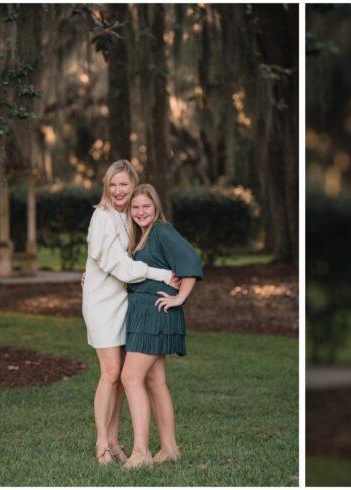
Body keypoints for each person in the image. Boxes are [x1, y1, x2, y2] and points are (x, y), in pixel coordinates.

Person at [83, 160, 179, 465]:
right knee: (110, 372)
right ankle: (101, 443)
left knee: (124, 377)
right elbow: (118, 265)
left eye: (124, 184)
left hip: (126, 301)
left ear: (133, 184)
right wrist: (163, 276)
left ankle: (114, 441)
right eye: (113, 184)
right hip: (101, 302)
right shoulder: (101, 217)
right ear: (106, 187)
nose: (118, 190)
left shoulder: (131, 218)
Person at [119, 184, 203, 469]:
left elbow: (191, 260)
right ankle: (169, 448)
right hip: (144, 313)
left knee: (130, 377)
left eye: (146, 206)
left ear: (156, 207)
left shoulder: (161, 231)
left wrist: (180, 297)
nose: (141, 212)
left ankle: (141, 453)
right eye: (136, 207)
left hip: (155, 314)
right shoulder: (139, 236)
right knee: (154, 382)